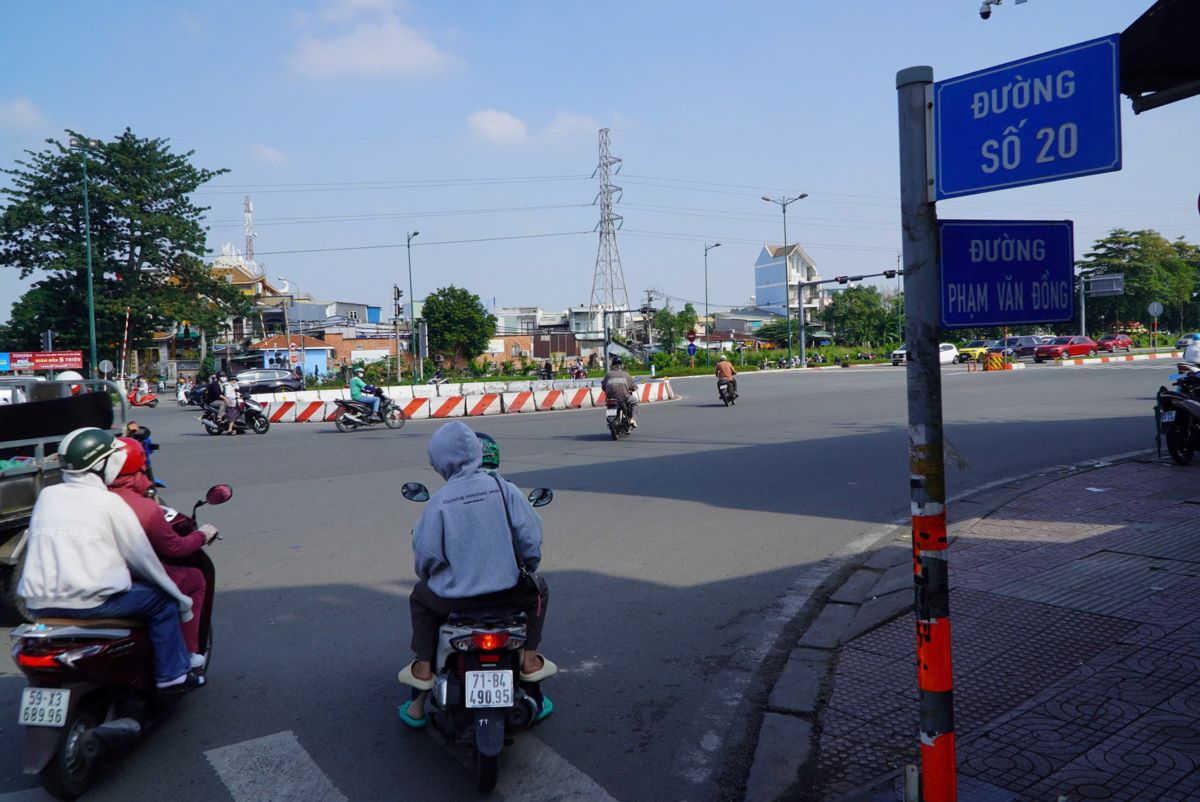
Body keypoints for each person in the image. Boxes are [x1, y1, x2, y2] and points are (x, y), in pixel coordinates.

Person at [397, 422, 555, 727]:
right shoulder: (505, 490)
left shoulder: (440, 501)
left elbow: (426, 557)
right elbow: (531, 543)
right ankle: (530, 658)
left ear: (439, 461)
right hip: (509, 596)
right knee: (541, 589)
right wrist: (525, 568)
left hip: (454, 602)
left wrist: (436, 578)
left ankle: (424, 669)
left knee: (420, 596)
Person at [18, 428, 198, 689]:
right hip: (93, 603)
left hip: (37, 605)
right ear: (102, 464)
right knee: (163, 603)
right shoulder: (109, 502)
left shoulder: (47, 496)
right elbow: (143, 561)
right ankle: (173, 674)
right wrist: (181, 599)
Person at [109, 437, 217, 667]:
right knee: (194, 580)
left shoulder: (84, 499)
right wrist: (203, 535)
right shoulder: (145, 508)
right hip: (122, 581)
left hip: (80, 582)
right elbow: (175, 548)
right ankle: (187, 654)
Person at [601, 355, 638, 427]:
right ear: (621, 365)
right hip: (624, 397)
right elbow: (632, 387)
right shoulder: (625, 374)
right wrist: (633, 388)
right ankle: (633, 419)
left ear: (613, 365)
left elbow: (603, 387)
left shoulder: (608, 374)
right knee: (635, 402)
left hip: (611, 398)